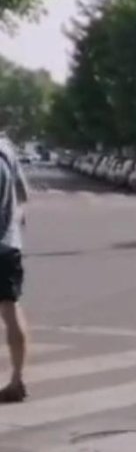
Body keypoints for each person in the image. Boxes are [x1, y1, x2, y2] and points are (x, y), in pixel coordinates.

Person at [0, 135, 28, 402]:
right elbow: (23, 198)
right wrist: (14, 224)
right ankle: (17, 379)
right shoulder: (7, 147)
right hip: (9, 246)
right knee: (11, 309)